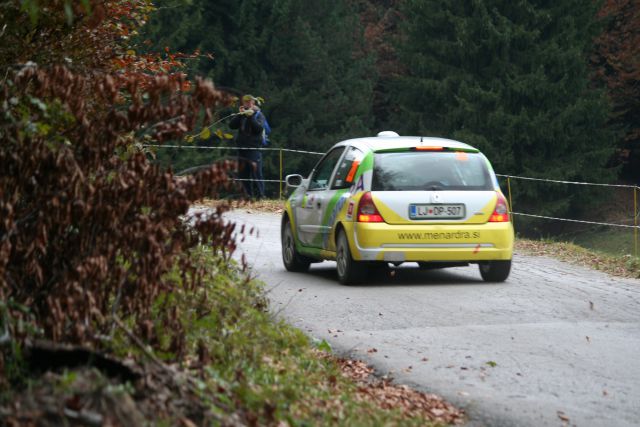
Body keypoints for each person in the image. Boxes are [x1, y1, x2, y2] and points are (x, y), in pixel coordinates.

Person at [229, 94, 266, 199]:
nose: (247, 103)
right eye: (245, 102)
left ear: (253, 103)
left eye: (249, 102)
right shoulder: (242, 115)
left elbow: (258, 129)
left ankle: (261, 196)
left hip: (254, 148)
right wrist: (240, 115)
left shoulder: (259, 114)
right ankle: (247, 196)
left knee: (256, 172)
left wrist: (250, 117)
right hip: (241, 148)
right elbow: (231, 126)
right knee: (243, 173)